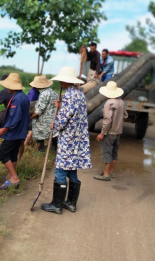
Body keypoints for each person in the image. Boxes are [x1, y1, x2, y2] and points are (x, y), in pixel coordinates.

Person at [41, 67, 91, 214]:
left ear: (64, 81)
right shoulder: (79, 94)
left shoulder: (69, 95)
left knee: (61, 170)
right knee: (72, 171)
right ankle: (70, 203)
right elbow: (74, 112)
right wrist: (61, 106)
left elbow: (64, 119)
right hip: (78, 139)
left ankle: (57, 205)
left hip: (69, 139)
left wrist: (54, 124)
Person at [0, 73, 30, 189]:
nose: (6, 88)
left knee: (2, 154)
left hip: (14, 133)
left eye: (7, 86)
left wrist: (4, 129)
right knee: (13, 155)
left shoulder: (17, 99)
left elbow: (15, 117)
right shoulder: (23, 96)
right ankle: (10, 176)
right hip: (20, 132)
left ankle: (14, 178)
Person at [95, 81, 128, 181]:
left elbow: (108, 119)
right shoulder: (121, 102)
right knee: (114, 152)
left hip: (109, 132)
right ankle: (110, 172)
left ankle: (105, 175)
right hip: (118, 132)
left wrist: (102, 133)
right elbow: (125, 116)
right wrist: (118, 123)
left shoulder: (109, 103)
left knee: (107, 152)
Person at [29, 75, 58, 152]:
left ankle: (41, 150)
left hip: (44, 120)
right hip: (52, 118)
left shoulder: (44, 94)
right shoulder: (53, 92)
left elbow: (39, 110)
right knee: (53, 134)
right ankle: (54, 148)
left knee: (38, 132)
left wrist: (31, 117)